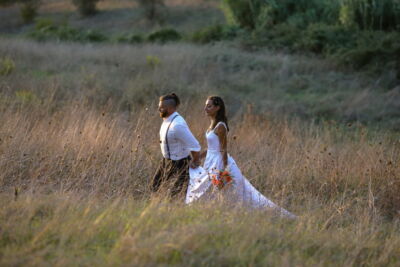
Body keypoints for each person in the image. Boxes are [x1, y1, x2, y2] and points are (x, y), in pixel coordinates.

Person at [186, 96, 295, 218]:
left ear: (217, 108)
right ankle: (211, 212)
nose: (205, 108)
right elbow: (211, 148)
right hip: (210, 161)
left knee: (225, 190)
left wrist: (223, 168)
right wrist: (198, 157)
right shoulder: (211, 124)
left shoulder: (220, 126)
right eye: (206, 105)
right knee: (211, 189)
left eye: (209, 106)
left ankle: (249, 213)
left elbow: (223, 149)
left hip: (218, 163)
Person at [152, 93, 201, 198]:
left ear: (169, 109)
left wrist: (195, 160)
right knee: (154, 187)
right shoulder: (167, 120)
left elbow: (195, 145)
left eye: (161, 108)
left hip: (180, 163)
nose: (159, 110)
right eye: (159, 107)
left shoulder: (177, 125)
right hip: (166, 161)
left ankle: (174, 211)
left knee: (175, 194)